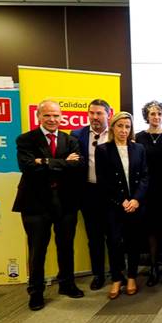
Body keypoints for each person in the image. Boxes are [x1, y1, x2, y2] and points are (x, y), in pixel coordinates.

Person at [13, 100, 84, 311]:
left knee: (66, 246)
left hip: (65, 202)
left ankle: (67, 284)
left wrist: (43, 162)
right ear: (39, 117)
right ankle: (36, 292)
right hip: (35, 203)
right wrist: (62, 163)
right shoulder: (26, 139)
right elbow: (27, 167)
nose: (52, 119)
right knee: (37, 249)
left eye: (56, 115)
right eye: (47, 115)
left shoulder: (70, 140)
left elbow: (76, 166)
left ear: (61, 117)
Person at [95, 112, 148, 299]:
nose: (124, 130)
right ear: (113, 127)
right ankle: (117, 278)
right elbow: (103, 180)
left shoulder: (138, 148)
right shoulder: (102, 150)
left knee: (134, 241)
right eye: (120, 126)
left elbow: (145, 176)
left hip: (135, 204)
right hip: (114, 205)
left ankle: (132, 276)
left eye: (127, 126)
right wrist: (122, 200)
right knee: (114, 242)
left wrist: (136, 199)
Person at [135, 101, 162, 287]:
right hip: (147, 188)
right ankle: (154, 269)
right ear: (147, 116)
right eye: (152, 113)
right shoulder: (138, 137)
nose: (156, 117)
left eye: (159, 113)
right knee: (151, 229)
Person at [72, 99, 111, 291]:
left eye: (99, 113)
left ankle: (118, 273)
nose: (95, 117)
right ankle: (98, 274)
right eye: (92, 113)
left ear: (108, 114)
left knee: (115, 236)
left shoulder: (116, 133)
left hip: (112, 194)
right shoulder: (77, 135)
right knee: (94, 237)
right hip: (88, 192)